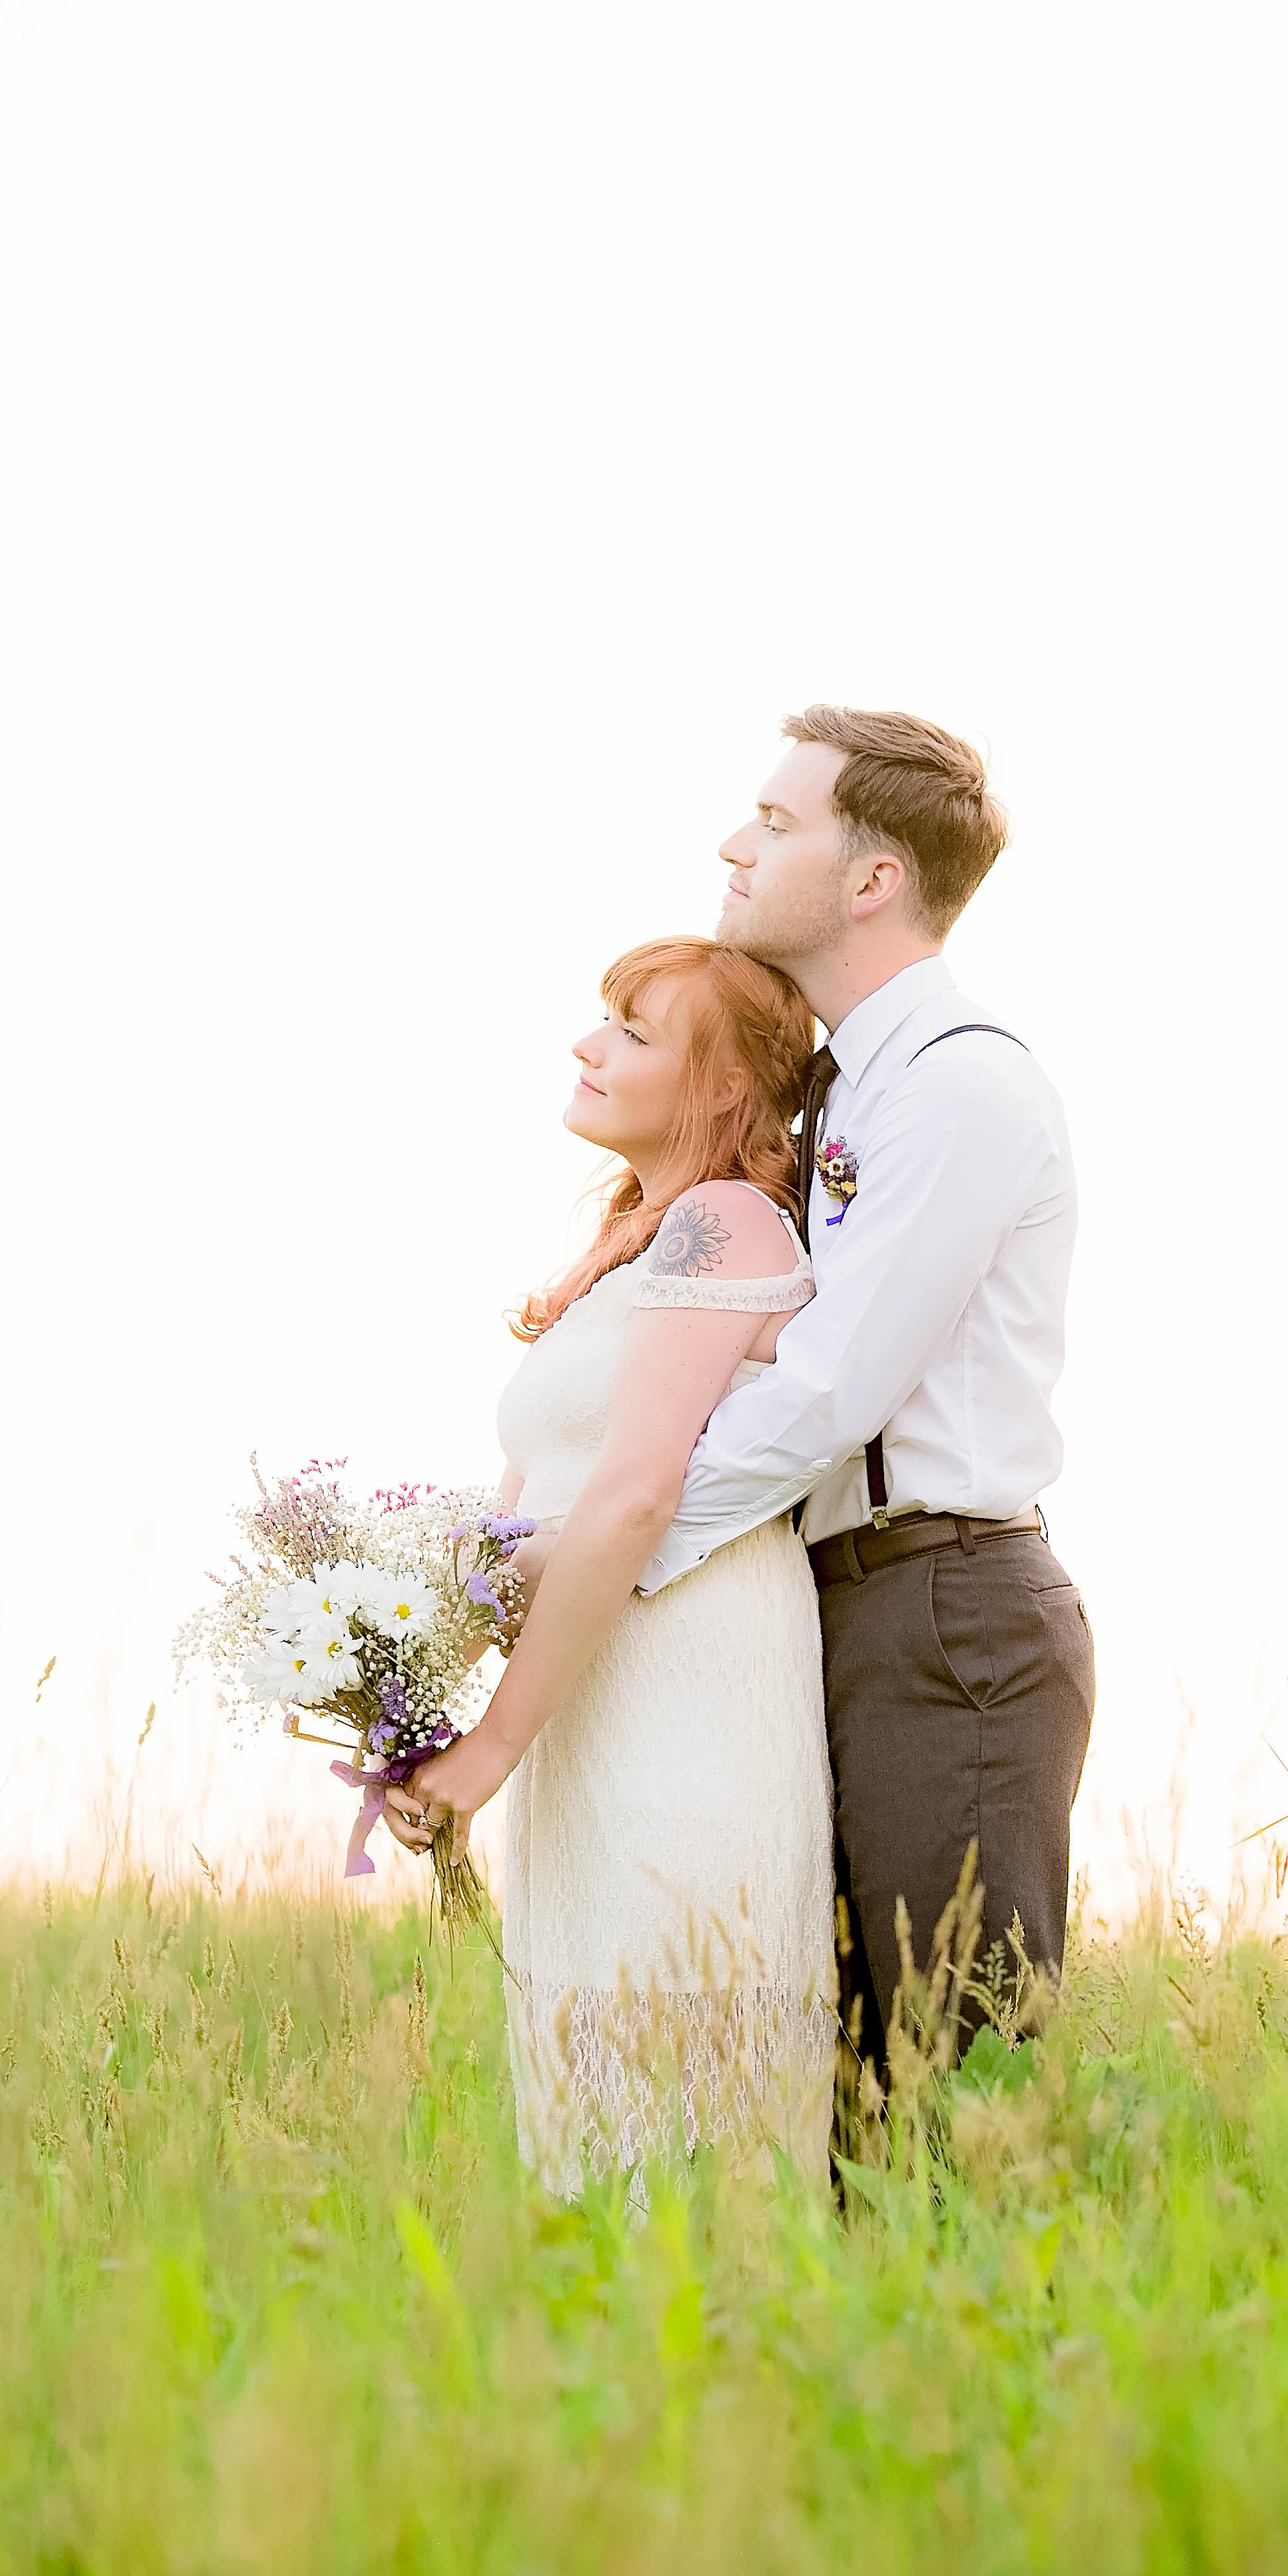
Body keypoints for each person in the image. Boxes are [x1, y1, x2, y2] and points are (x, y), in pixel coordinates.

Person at [643, 707, 1094, 2076]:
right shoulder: (844, 1093)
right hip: (834, 1611)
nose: (735, 841)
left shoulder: (959, 1090)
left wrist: (626, 1543)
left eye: (776, 822)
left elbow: (831, 1393)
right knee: (837, 2105)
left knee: (954, 2091)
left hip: (945, 1620)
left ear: (873, 878)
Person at [386, 937, 835, 2189]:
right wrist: (390, 1662)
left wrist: (488, 1750)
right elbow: (528, 1527)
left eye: (636, 1033)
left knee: (687, 2129)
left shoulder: (726, 1222)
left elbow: (637, 1496)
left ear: (728, 1088)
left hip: (688, 1700)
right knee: (590, 2134)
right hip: (591, 1707)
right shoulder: (637, 1246)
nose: (592, 1048)